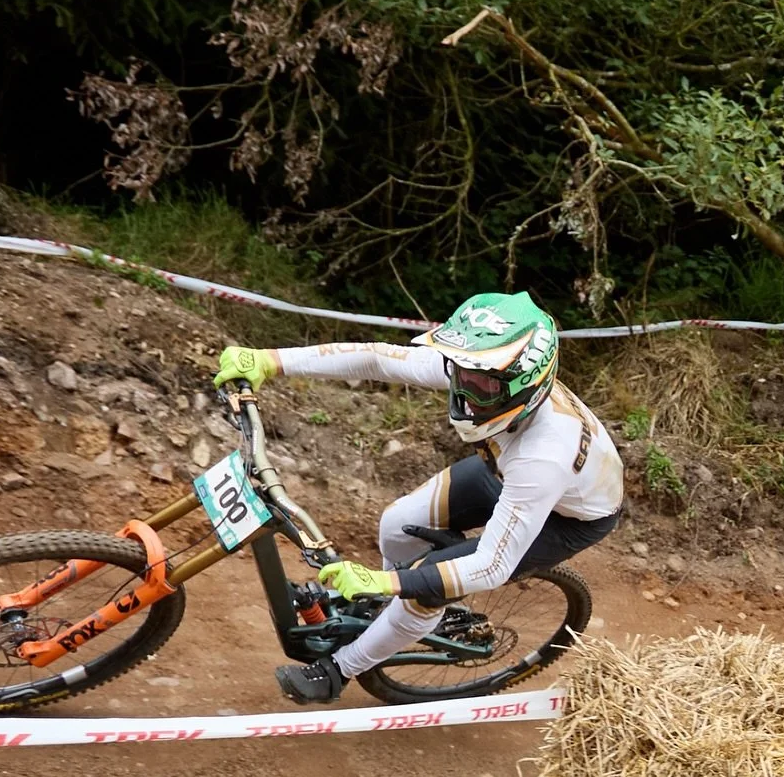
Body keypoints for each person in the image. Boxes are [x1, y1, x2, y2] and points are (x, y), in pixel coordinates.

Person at [213, 292, 624, 704]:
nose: (463, 387)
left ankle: (339, 670)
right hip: (508, 467)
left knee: (425, 584)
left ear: (522, 385)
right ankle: (391, 615)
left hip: (568, 516)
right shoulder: (484, 373)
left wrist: (392, 581)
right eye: (459, 372)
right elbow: (376, 359)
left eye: (478, 382)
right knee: (396, 523)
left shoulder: (544, 456)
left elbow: (491, 567)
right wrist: (269, 360)